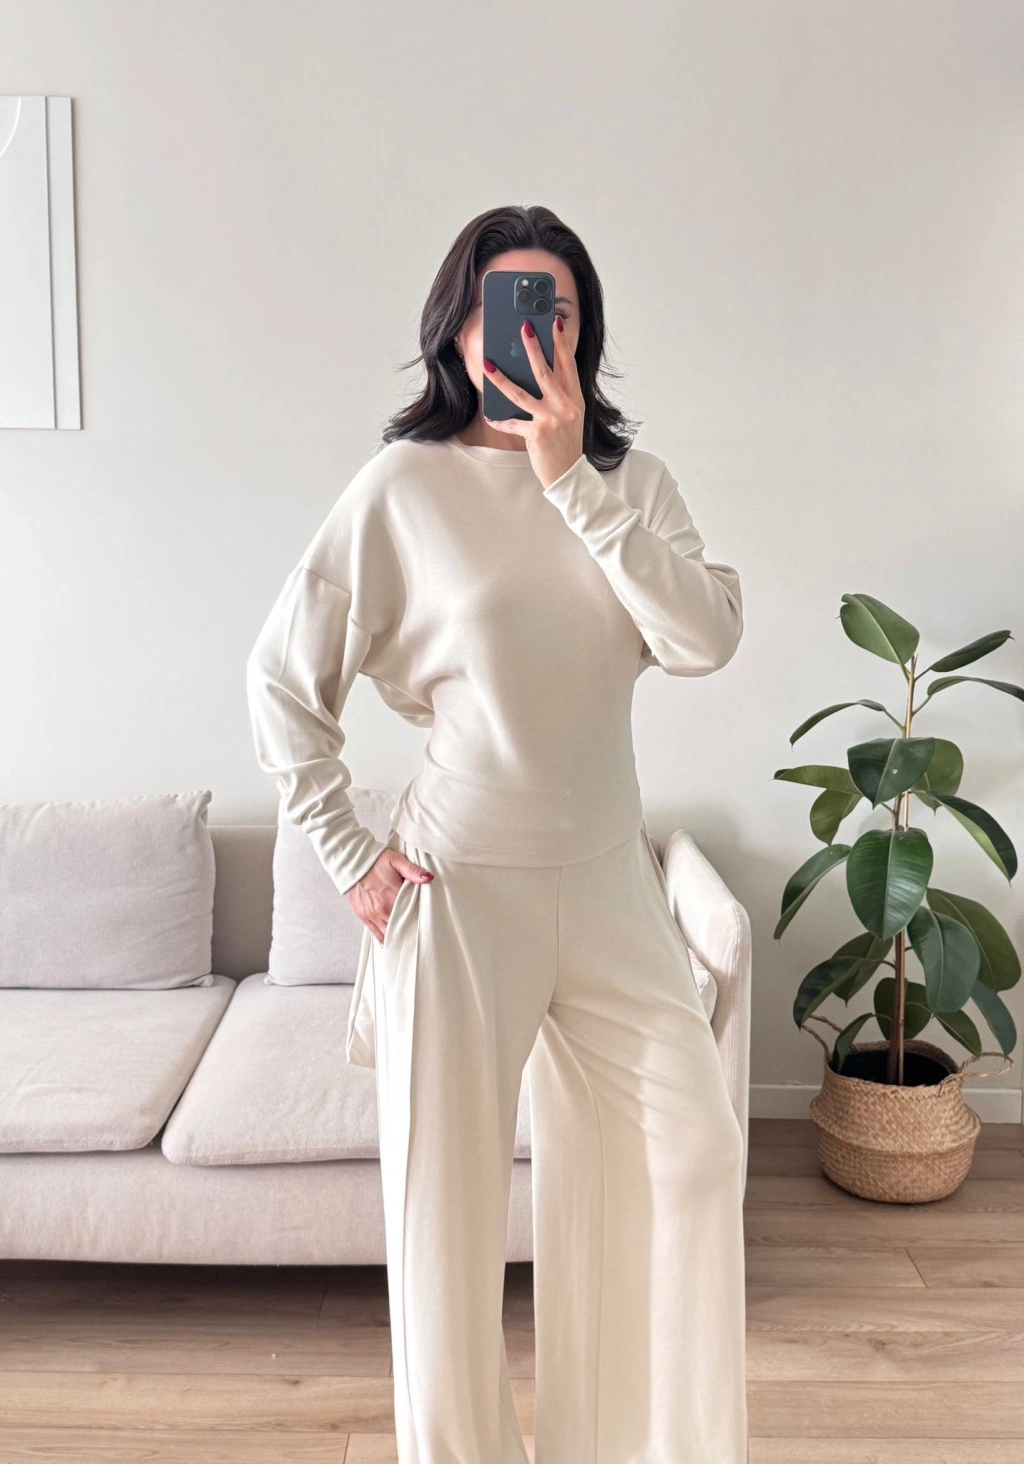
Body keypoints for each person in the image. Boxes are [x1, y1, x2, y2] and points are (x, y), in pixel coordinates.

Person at [246, 203, 749, 1464]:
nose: (532, 330)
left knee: (691, 1154)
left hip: (610, 878)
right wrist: (346, 851)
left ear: (582, 332)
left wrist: (572, 481)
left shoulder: (633, 484)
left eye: (555, 308)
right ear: (458, 328)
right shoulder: (403, 488)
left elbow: (703, 639)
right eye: (504, 305)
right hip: (459, 886)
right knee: (446, 1225)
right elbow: (281, 680)